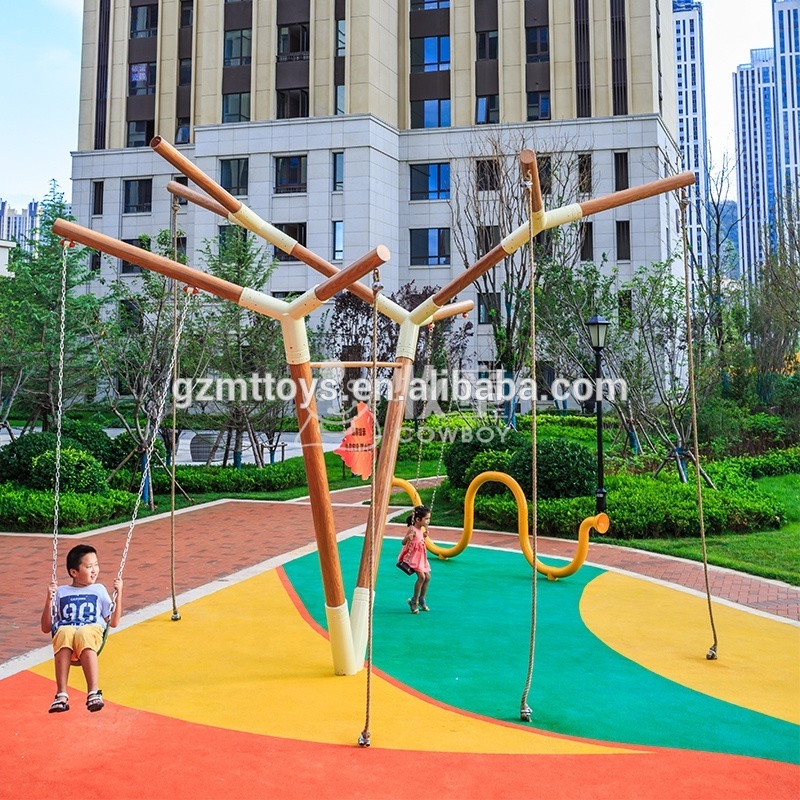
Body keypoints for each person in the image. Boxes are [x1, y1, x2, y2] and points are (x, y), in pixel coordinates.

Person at [40, 544, 123, 713]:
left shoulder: (99, 590)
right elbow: (46, 627)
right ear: (74, 572)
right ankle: (61, 694)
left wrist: (119, 593)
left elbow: (113, 622)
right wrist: (49, 599)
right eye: (88, 566)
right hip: (67, 639)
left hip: (91, 633)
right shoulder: (61, 592)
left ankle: (93, 692)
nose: (94, 570)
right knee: (64, 630)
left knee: (84, 632)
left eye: (96, 565)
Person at [400, 504, 432, 614]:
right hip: (413, 557)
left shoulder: (421, 529)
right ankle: (414, 600)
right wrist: (408, 538)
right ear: (418, 519)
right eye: (426, 519)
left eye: (429, 518)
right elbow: (403, 542)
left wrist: (424, 536)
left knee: (428, 576)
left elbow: (419, 540)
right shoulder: (412, 529)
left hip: (421, 557)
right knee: (422, 577)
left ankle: (422, 598)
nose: (428, 521)